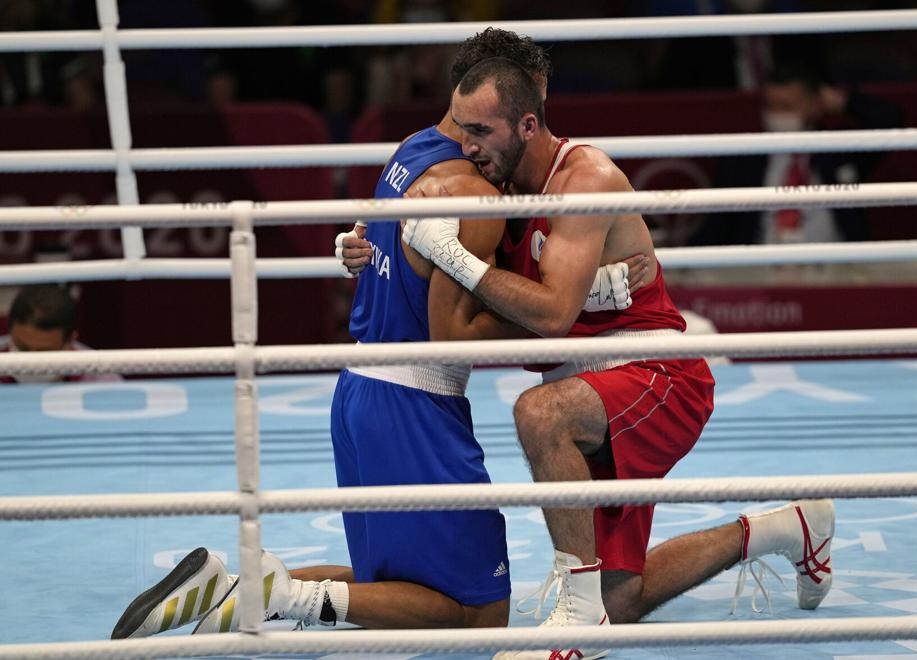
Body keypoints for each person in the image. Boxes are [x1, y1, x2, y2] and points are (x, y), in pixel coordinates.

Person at [110, 28, 637, 640]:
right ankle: (273, 594)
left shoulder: (412, 149)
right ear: (522, 96)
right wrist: (566, 303)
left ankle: (227, 590)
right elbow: (451, 334)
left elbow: (384, 241)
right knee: (478, 612)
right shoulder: (471, 188)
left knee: (391, 579)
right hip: (414, 405)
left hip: (361, 389)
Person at [402, 56, 835, 660]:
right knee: (624, 599)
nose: (465, 147)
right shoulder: (495, 186)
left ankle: (578, 623)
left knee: (540, 413)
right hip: (591, 391)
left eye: (480, 132)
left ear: (527, 125)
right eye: (462, 129)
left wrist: (460, 260)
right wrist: (363, 245)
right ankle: (791, 527)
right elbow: (490, 327)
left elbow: (548, 316)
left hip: (657, 378)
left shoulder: (587, 180)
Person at [690, 59, 904, 246]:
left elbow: (890, 121)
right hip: (760, 272)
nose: (777, 115)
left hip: (838, 272)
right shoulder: (743, 159)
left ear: (815, 104)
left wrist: (842, 101)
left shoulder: (839, 148)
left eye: (787, 106)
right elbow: (715, 226)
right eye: (772, 106)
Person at [0, 283, 121, 384]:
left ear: (69, 342)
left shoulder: (102, 381)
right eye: (22, 348)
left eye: (44, 352)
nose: (30, 363)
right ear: (10, 333)